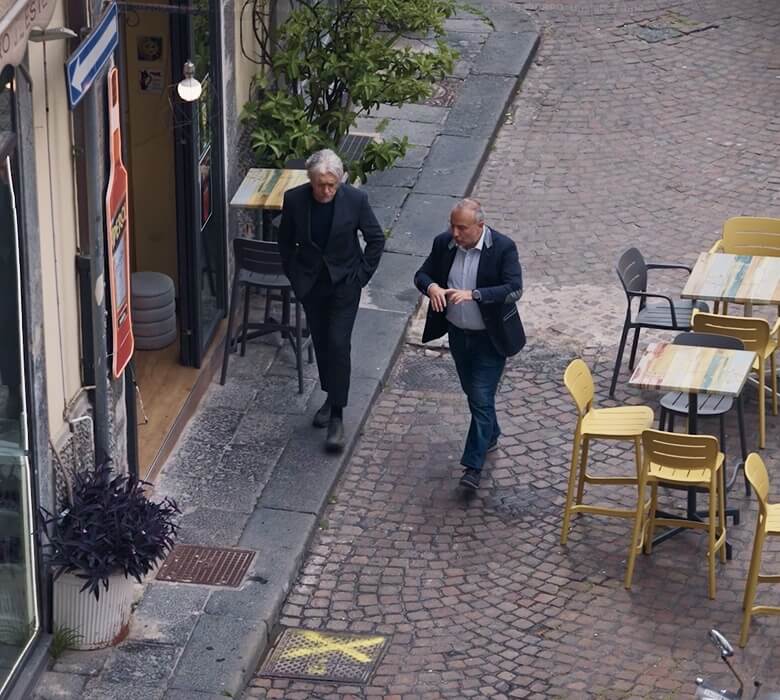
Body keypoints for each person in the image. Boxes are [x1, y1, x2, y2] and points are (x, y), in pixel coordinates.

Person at [277, 149, 384, 452]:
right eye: (320, 185)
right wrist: (295, 276)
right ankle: (330, 395)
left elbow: (376, 239)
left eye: (331, 185)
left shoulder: (355, 200)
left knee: (338, 344)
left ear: (339, 181)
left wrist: (361, 276)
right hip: (312, 286)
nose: (326, 191)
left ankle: (337, 414)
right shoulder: (295, 200)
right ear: (311, 181)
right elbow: (285, 242)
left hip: (344, 285)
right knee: (323, 343)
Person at [414, 199, 525, 489]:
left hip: (490, 338)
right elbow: (421, 275)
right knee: (473, 393)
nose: (455, 233)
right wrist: (432, 287)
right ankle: (491, 433)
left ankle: (472, 468)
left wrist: (475, 295)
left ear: (480, 226)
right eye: (452, 226)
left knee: (480, 395)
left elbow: (514, 289)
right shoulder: (444, 244)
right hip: (458, 335)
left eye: (462, 228)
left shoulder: (503, 248)